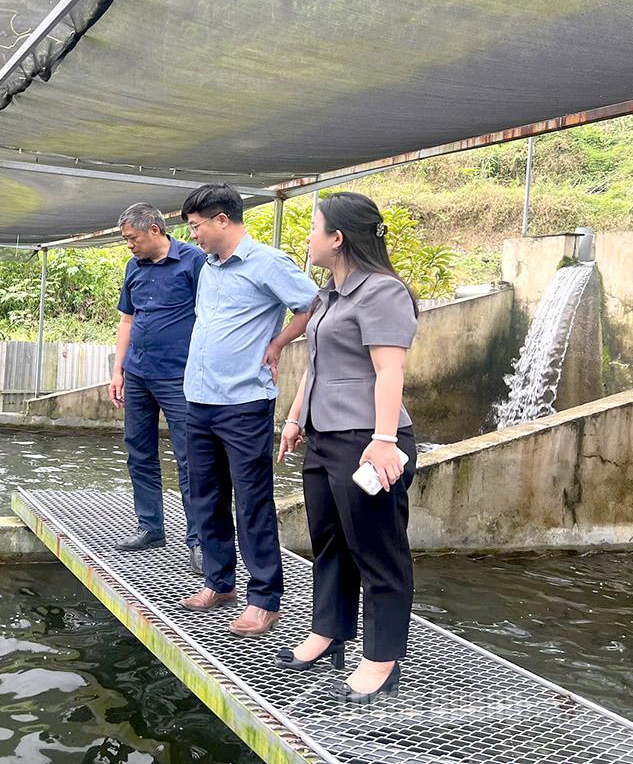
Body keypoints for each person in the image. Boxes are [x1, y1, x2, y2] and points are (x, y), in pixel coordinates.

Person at [276, 191, 418, 705]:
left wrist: (383, 442)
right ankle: (331, 630)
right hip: (323, 435)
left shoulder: (382, 292)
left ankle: (382, 657)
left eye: (314, 228)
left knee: (377, 550)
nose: (308, 237)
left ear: (337, 238)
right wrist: (295, 419)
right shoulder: (330, 295)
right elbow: (316, 364)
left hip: (367, 440)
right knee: (330, 541)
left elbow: (389, 370)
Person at [175, 184, 317, 640]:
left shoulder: (268, 263)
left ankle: (264, 600)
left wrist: (278, 342)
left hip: (243, 402)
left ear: (221, 220)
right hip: (198, 398)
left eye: (196, 226)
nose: (193, 235)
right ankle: (219, 582)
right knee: (205, 495)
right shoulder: (208, 267)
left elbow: (313, 306)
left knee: (251, 500)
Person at [109, 202, 208, 572]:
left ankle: (198, 541)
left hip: (179, 377)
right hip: (137, 374)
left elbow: (211, 314)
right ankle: (150, 526)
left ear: (154, 230)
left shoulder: (194, 261)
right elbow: (127, 319)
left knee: (190, 458)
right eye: (125, 240)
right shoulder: (133, 267)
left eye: (132, 238)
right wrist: (118, 370)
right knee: (139, 451)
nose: (128, 245)